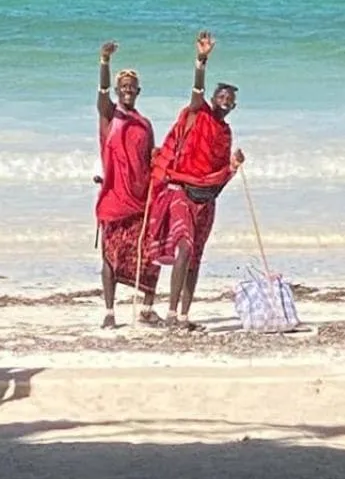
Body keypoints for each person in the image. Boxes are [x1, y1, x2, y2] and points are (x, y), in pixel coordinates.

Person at [148, 30, 244, 330]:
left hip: (207, 201)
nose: (225, 101)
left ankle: (186, 316)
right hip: (182, 192)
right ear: (213, 99)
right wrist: (201, 61)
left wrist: (233, 167)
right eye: (221, 96)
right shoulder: (197, 113)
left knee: (196, 258)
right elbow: (197, 90)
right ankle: (172, 314)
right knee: (185, 248)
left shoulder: (225, 134)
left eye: (230, 99)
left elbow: (218, 179)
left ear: (233, 107)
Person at [95, 40, 160, 329]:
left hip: (141, 199)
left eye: (132, 87)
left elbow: (151, 160)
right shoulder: (111, 115)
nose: (128, 91)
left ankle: (147, 308)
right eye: (123, 87)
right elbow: (102, 95)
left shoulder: (145, 124)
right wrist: (105, 62)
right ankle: (110, 313)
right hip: (114, 198)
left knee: (150, 252)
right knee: (110, 255)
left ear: (138, 91)